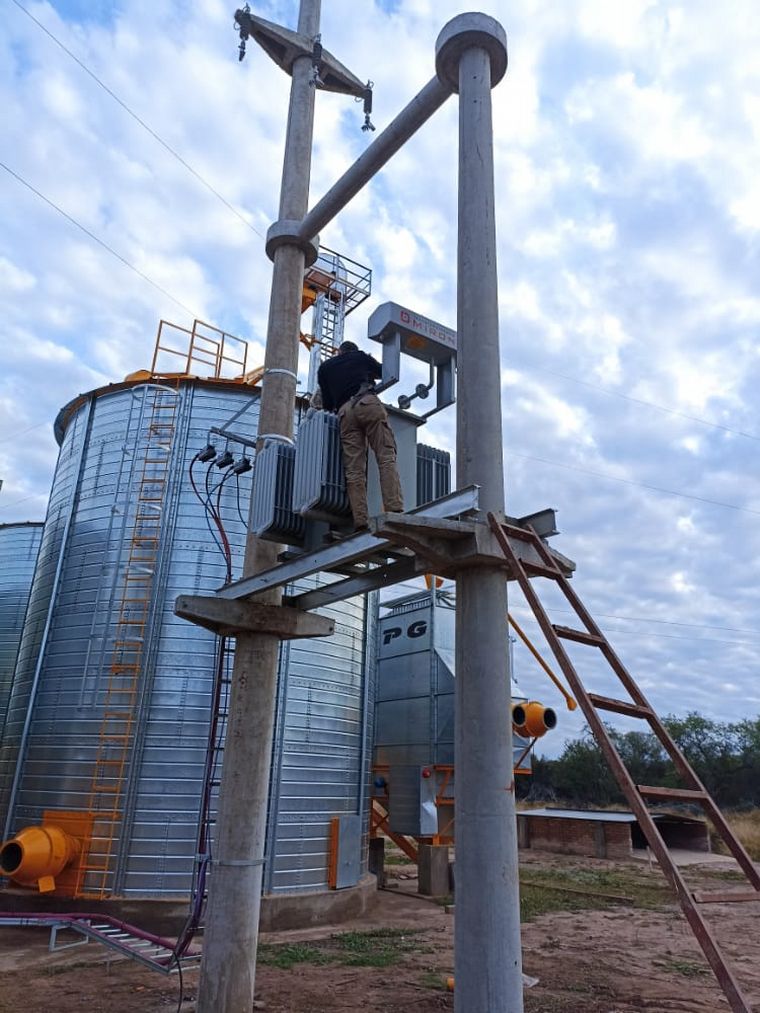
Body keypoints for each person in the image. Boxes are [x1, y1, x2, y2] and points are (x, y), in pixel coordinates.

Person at [317, 340, 404, 530]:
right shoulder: (360, 356)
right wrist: (368, 371)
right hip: (366, 403)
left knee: (354, 470)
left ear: (339, 352)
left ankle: (360, 521)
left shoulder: (325, 368)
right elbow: (384, 372)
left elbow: (327, 404)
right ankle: (394, 508)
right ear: (353, 351)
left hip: (344, 414)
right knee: (385, 456)